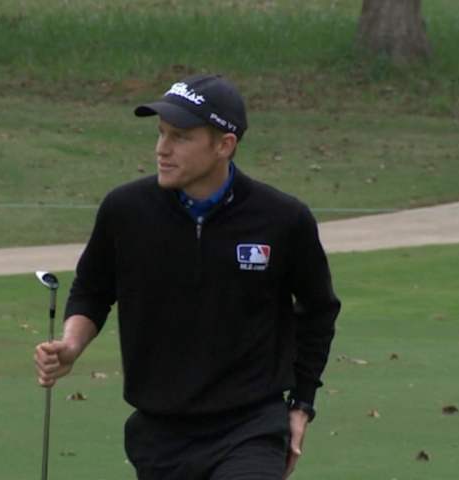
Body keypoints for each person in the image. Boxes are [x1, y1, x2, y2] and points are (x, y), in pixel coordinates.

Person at [34, 74, 340, 479]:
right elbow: (93, 289)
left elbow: (318, 310)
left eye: (179, 137)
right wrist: (71, 344)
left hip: (249, 428)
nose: (162, 149)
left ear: (224, 145)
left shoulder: (283, 219)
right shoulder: (125, 211)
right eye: (160, 134)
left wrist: (301, 405)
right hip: (159, 433)